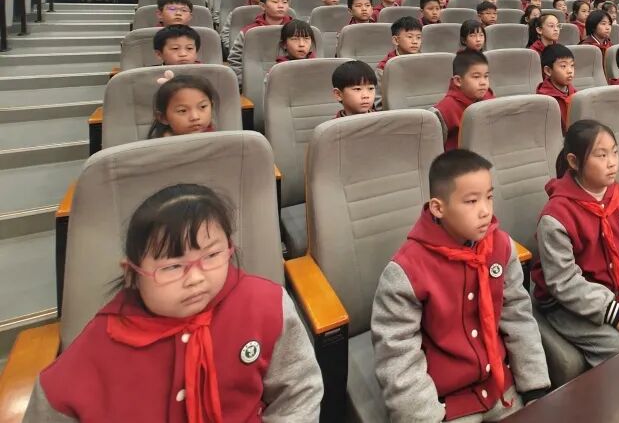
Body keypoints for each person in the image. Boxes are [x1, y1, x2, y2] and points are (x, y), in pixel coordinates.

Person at [25, 184, 323, 421]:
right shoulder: (102, 342)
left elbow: (299, 390)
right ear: (132, 274)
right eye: (172, 267)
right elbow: (51, 405)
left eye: (211, 255)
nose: (195, 278)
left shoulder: (263, 305)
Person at [372, 149, 550, 422]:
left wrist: (535, 389)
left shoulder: (501, 246)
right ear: (438, 208)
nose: (485, 211)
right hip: (446, 404)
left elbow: (518, 317)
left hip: (501, 388)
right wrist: (427, 416)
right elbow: (397, 356)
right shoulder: (406, 271)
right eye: (471, 201)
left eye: (489, 197)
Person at [532, 120, 619, 366]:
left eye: (615, 152)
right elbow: (564, 282)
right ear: (574, 162)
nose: (612, 162)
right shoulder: (556, 217)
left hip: (613, 285)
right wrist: (615, 313)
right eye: (601, 155)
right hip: (567, 302)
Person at [432, 50, 494, 151]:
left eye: (486, 76)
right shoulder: (445, 109)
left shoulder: (489, 96)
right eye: (476, 77)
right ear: (458, 81)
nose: (483, 82)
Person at [229, 0, 292, 83]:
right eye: (275, 2)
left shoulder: (297, 30)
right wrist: (245, 84)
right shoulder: (249, 32)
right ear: (263, 6)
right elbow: (235, 60)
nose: (281, 6)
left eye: (285, 2)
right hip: (254, 84)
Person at [146, 74, 217, 138]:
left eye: (203, 106)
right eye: (182, 110)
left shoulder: (215, 134)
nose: (195, 117)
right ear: (163, 118)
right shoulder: (163, 146)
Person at [537, 44, 577, 132]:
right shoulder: (544, 100)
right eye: (563, 66)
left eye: (572, 65)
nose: (570, 71)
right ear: (548, 71)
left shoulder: (575, 93)